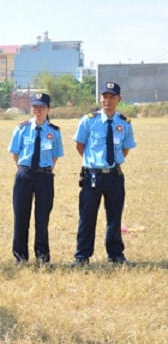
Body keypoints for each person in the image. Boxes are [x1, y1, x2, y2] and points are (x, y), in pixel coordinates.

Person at [72, 82, 136, 266]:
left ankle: (116, 255)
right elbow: (80, 146)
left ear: (119, 99)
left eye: (112, 97)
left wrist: (111, 165)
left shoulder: (124, 123)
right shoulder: (89, 120)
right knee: (87, 217)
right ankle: (82, 257)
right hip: (93, 175)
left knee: (114, 217)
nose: (107, 101)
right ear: (100, 98)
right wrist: (95, 164)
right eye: (105, 97)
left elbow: (125, 149)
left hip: (114, 176)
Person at [8, 93, 64, 265]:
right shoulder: (21, 128)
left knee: (42, 218)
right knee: (21, 216)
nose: (38, 111)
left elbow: (55, 156)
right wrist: (25, 170)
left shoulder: (54, 132)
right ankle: (20, 256)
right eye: (35, 107)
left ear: (48, 109)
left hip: (44, 177)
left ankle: (42, 256)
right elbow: (15, 154)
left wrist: (43, 169)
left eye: (42, 107)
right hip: (24, 175)